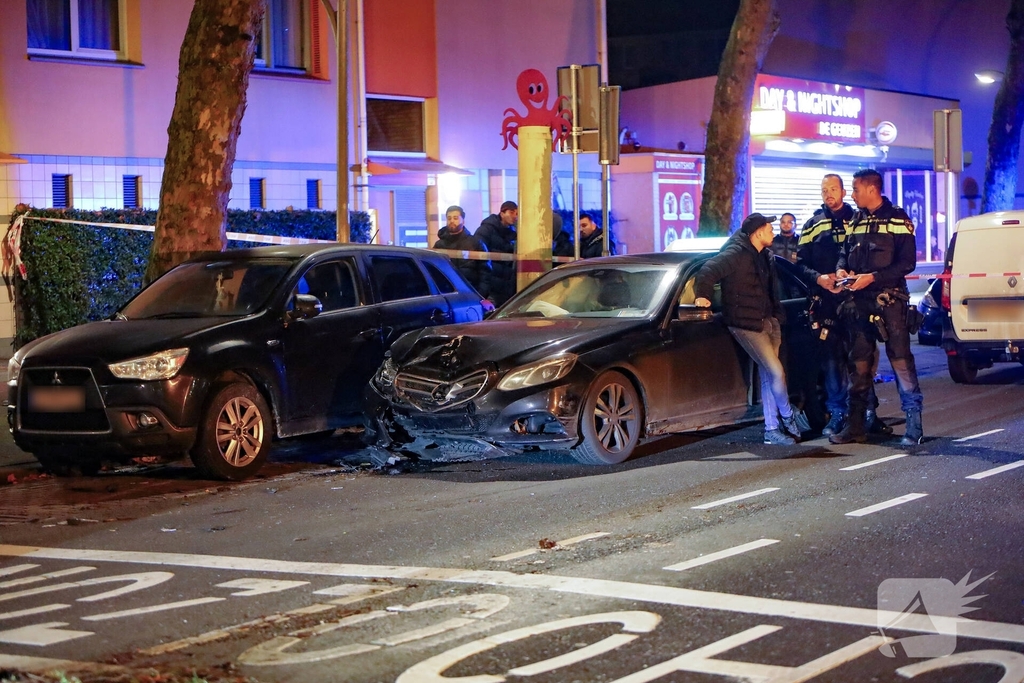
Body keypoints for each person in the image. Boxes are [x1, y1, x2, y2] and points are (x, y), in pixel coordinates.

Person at [830, 169, 923, 446]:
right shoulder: (856, 220)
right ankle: (856, 426)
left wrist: (873, 278)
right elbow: (843, 253)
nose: (853, 194)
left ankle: (914, 427)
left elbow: (907, 263)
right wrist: (841, 270)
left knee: (901, 361)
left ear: (872, 189)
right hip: (858, 302)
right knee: (858, 365)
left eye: (856, 189)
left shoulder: (897, 218)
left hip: (890, 301)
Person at [694, 213, 803, 445]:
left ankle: (771, 430)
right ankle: (788, 416)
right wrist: (702, 296)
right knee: (775, 372)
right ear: (758, 232)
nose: (773, 231)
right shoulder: (736, 254)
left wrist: (776, 316)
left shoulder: (765, 255)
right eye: (769, 228)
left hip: (768, 321)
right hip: (746, 324)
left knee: (768, 375)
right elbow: (707, 271)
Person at [796, 174, 889, 437]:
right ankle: (837, 413)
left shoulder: (860, 219)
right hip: (826, 303)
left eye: (833, 188)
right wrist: (819, 279)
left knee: (864, 361)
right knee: (831, 362)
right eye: (824, 189)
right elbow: (800, 265)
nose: (828, 194)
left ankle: (869, 412)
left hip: (858, 301)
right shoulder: (813, 224)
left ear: (844, 191)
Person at [433, 205, 492, 299]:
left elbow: (485, 272)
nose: (452, 221)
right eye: (449, 218)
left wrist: (480, 295)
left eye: (455, 218)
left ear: (463, 221)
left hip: (472, 295)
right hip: (447, 296)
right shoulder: (439, 245)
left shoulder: (475, 243)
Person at [475, 200, 518, 305]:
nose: (514, 216)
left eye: (516, 214)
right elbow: (478, 253)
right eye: (511, 212)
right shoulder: (486, 229)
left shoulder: (513, 233)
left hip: (505, 287)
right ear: (502, 213)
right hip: (490, 287)